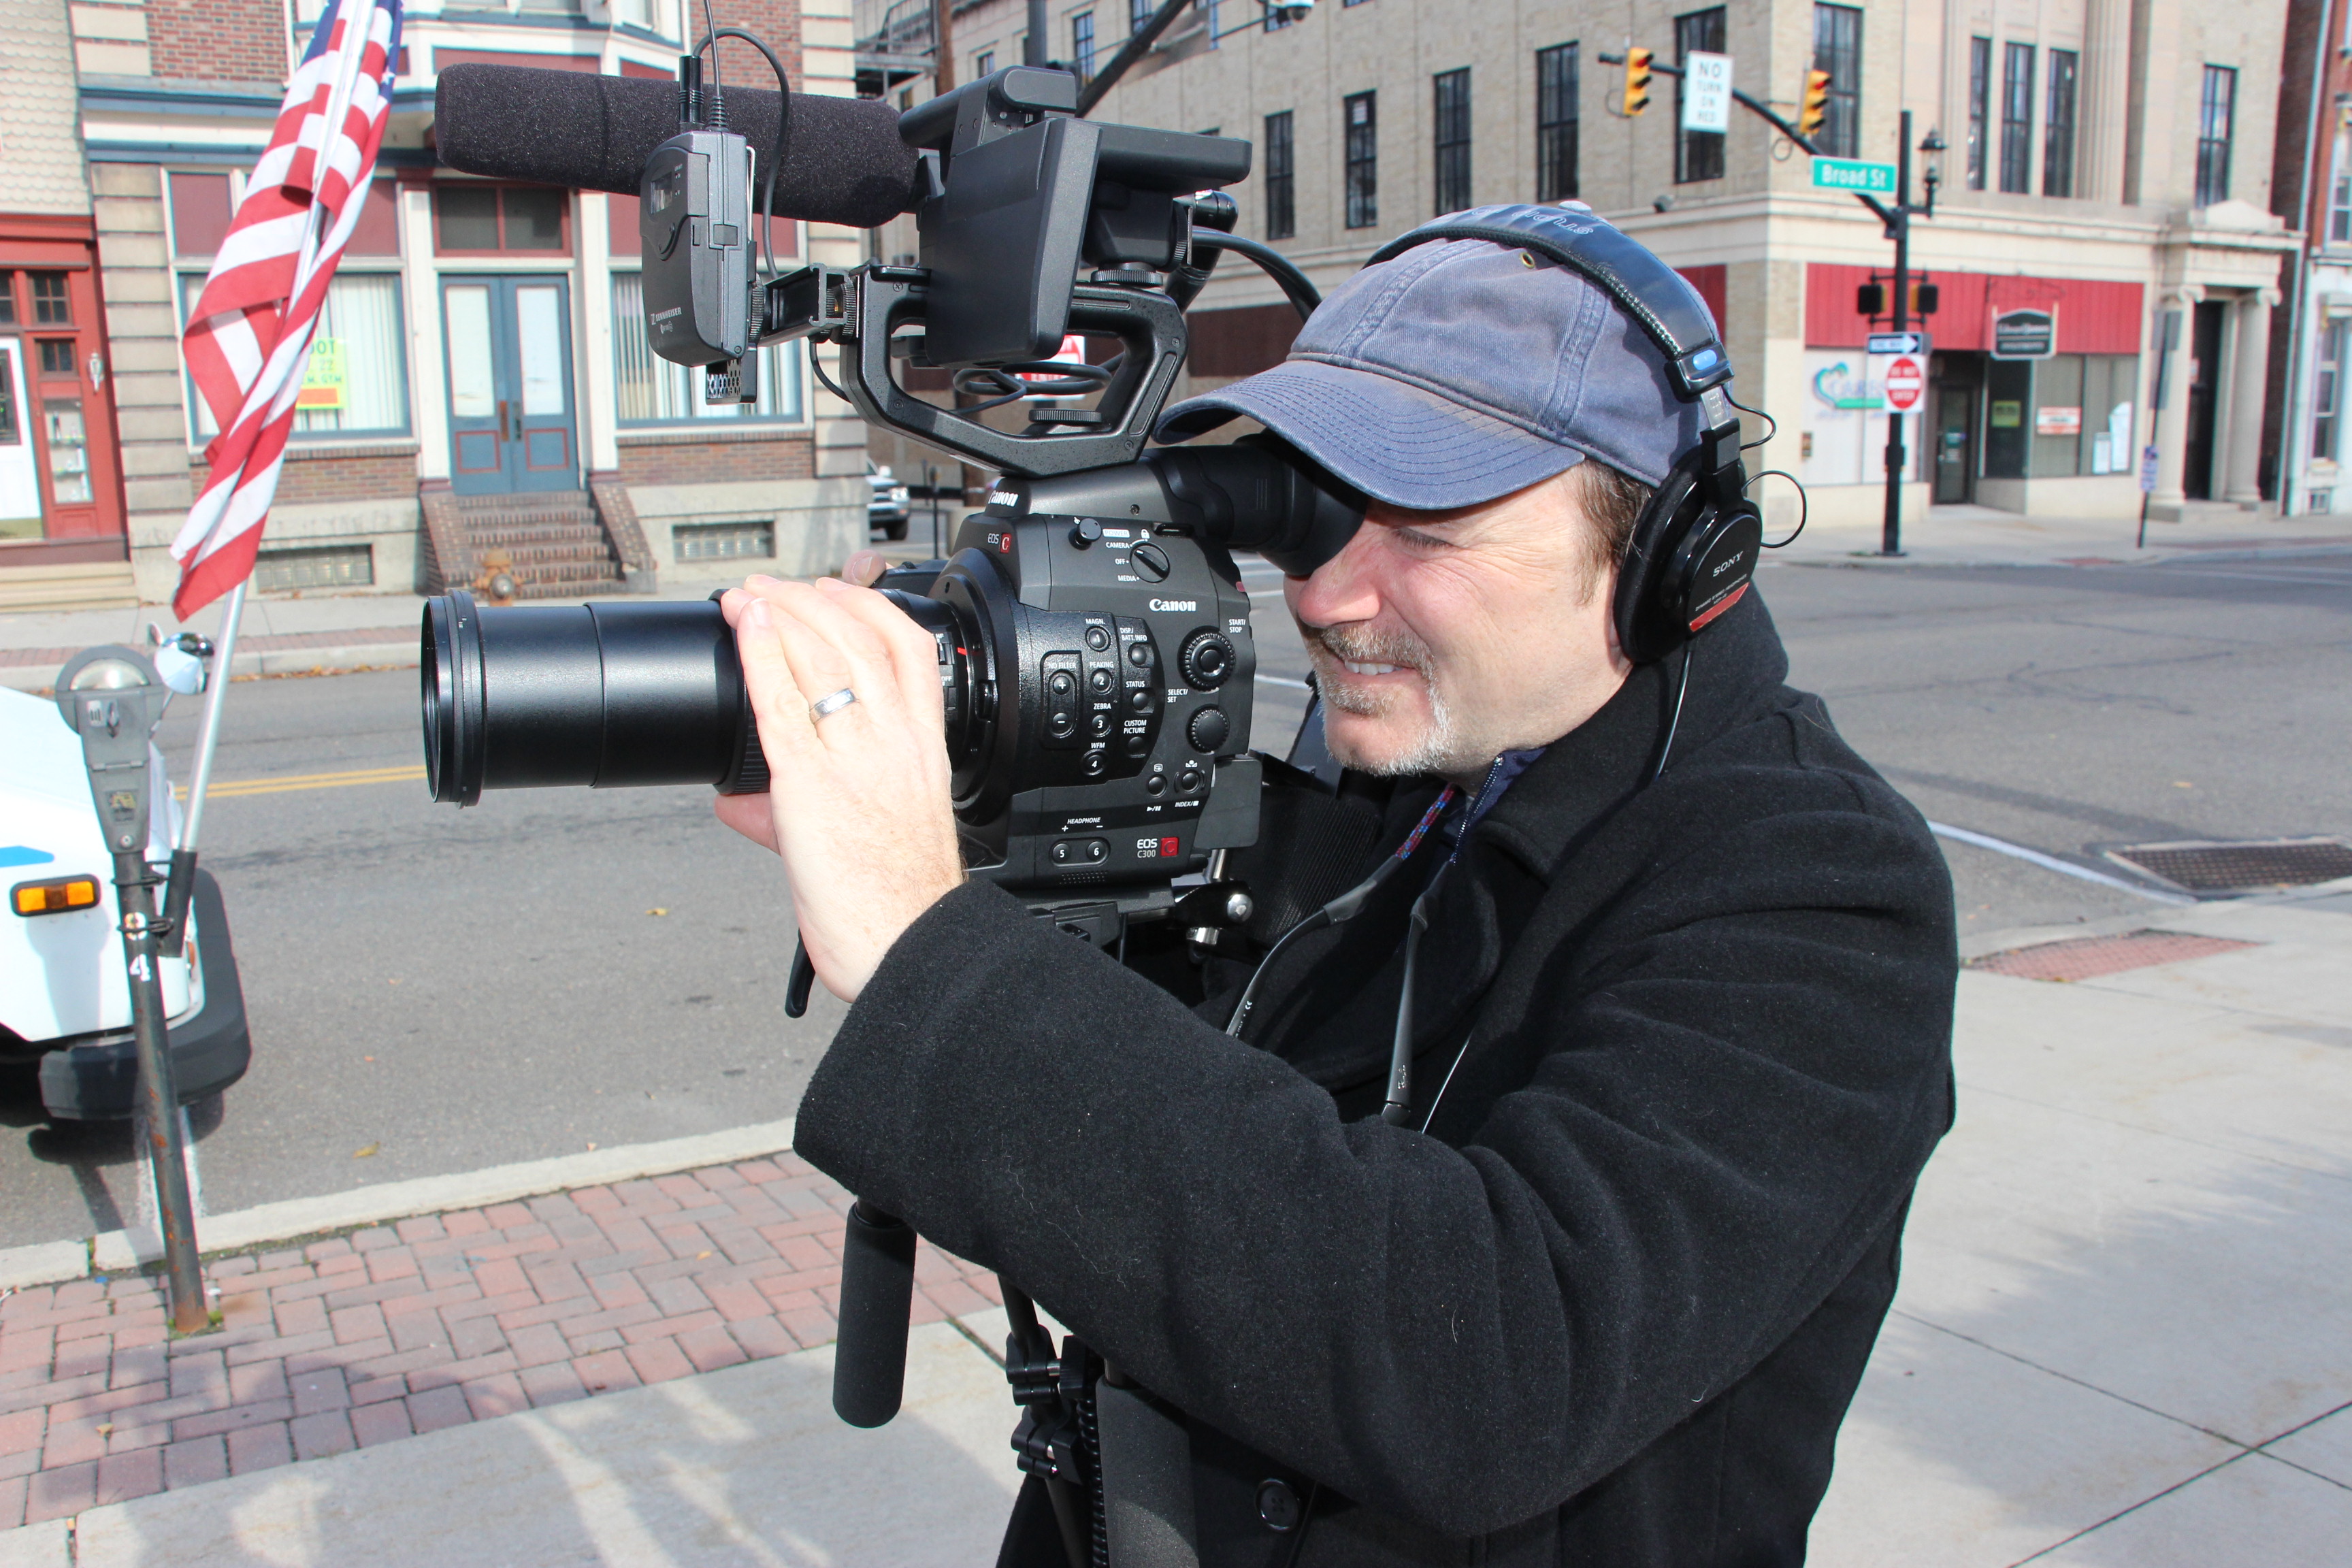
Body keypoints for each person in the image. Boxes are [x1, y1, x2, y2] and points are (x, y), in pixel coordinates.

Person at [711, 217, 1959, 1567]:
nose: (1325, 596)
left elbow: (1490, 1369)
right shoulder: (1422, 771)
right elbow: (1205, 1089)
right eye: (1314, 513)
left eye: (1425, 525)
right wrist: (957, 790)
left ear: (1669, 550)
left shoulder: (1820, 889)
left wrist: (929, 948)